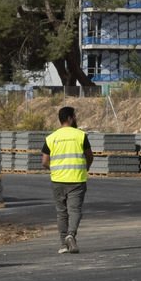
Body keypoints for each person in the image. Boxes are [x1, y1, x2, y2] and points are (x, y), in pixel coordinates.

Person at [41, 106, 94, 255]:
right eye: (75, 116)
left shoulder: (51, 137)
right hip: (77, 178)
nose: (76, 118)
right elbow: (89, 156)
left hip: (57, 180)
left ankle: (63, 243)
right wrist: (86, 167)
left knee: (61, 212)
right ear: (70, 118)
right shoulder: (80, 135)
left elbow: (44, 161)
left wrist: (55, 169)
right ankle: (71, 235)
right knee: (75, 210)